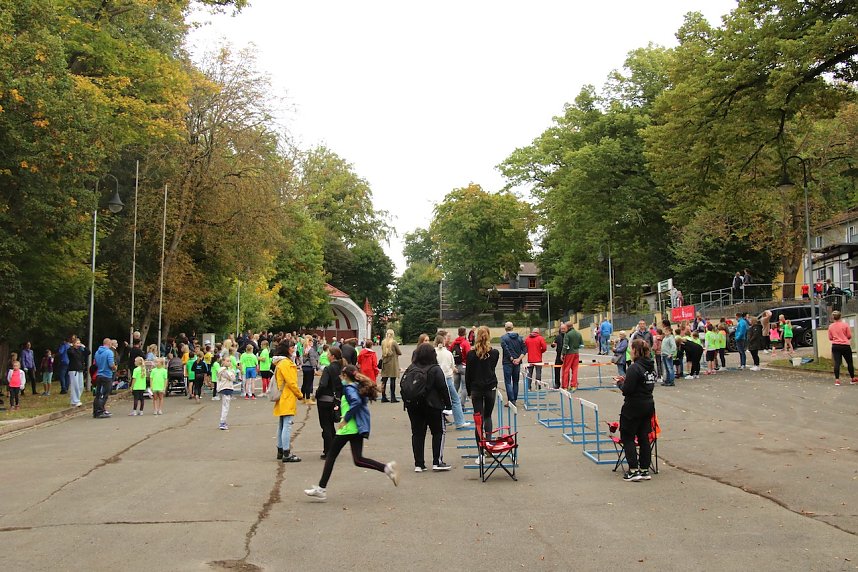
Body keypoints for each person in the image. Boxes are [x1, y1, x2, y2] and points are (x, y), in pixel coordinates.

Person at [304, 365, 399, 500]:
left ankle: (321, 488)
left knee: (331, 456)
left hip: (348, 428)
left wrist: (345, 419)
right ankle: (386, 468)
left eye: (341, 375)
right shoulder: (355, 387)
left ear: (345, 376)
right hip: (356, 428)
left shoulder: (349, 388)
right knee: (358, 459)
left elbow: (355, 402)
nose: (339, 378)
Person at [404, 342, 452, 472]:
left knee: (417, 434)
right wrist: (448, 404)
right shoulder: (435, 369)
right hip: (433, 405)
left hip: (413, 405)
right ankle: (437, 461)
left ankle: (419, 464)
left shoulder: (411, 368)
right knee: (438, 432)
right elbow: (443, 388)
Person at [614, 339, 657, 482]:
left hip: (634, 406)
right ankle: (644, 469)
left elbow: (627, 390)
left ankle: (633, 469)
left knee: (628, 437)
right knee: (644, 436)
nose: (630, 352)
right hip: (647, 403)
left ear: (636, 351)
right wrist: (626, 380)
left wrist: (620, 383)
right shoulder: (650, 366)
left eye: (632, 349)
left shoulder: (634, 367)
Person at [465, 326, 499, 436]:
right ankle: (488, 441)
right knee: (488, 416)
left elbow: (468, 374)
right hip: (490, 386)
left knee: (478, 420)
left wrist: (469, 391)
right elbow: (492, 367)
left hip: (476, 387)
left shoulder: (471, 354)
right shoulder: (494, 353)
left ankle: (480, 449)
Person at [274, 341, 303, 462]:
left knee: (282, 424)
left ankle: (281, 450)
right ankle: (286, 452)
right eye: (292, 347)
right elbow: (291, 382)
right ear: (287, 349)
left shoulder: (280, 362)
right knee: (287, 424)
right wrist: (299, 394)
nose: (293, 349)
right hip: (287, 395)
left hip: (282, 395)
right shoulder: (286, 363)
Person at [435, 333, 471, 431]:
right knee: (455, 400)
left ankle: (436, 422)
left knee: (437, 400)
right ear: (443, 342)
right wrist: (458, 370)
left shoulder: (433, 352)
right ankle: (459, 422)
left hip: (436, 379)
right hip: (447, 378)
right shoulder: (448, 353)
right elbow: (452, 367)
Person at [315, 347, 344, 459]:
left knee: (326, 425)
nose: (327, 355)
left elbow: (323, 384)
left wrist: (317, 394)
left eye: (329, 354)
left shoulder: (328, 369)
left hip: (325, 399)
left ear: (332, 356)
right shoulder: (341, 368)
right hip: (336, 398)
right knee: (331, 425)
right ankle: (333, 449)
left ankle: (328, 451)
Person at [499, 322, 526, 405]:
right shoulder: (520, 338)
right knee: (515, 381)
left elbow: (505, 349)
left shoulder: (504, 338)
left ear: (505, 328)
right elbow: (524, 349)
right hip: (517, 362)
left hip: (508, 362)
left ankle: (511, 400)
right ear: (513, 327)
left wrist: (511, 358)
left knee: (508, 381)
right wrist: (518, 359)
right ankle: (514, 399)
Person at [828, 311, 856, 386]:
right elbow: (849, 336)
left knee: (837, 362)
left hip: (835, 345)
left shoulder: (831, 326)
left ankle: (837, 380)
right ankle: (852, 379)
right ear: (840, 317)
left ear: (833, 317)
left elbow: (830, 338)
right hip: (845, 345)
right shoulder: (845, 325)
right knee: (849, 362)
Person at [92, 338, 116, 419]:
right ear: (109, 344)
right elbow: (110, 364)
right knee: (105, 394)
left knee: (98, 394)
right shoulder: (109, 352)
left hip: (99, 374)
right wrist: (114, 367)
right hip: (107, 375)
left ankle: (95, 411)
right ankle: (100, 411)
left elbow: (96, 363)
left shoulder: (97, 352)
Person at [448, 327, 471, 404]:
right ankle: (461, 404)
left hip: (456, 366)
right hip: (464, 366)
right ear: (465, 333)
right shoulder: (465, 343)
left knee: (455, 385)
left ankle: (453, 402)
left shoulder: (454, 342)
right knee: (464, 386)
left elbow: (450, 352)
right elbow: (469, 355)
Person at [560, 321, 583, 390]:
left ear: (568, 327)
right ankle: (573, 385)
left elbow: (565, 345)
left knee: (566, 369)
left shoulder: (568, 334)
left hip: (569, 353)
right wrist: (576, 348)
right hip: (576, 353)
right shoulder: (578, 334)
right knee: (575, 369)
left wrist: (562, 354)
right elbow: (582, 345)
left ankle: (565, 386)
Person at [215, 356, 235, 428]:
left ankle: (223, 421)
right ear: (223, 362)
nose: (229, 362)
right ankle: (222, 422)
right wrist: (232, 371)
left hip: (227, 388)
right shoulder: (223, 371)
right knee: (225, 406)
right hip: (225, 388)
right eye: (227, 361)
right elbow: (232, 377)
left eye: (230, 361)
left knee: (226, 406)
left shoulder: (225, 370)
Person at [67, 337, 86, 407]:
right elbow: (71, 353)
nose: (78, 344)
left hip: (80, 369)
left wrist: (84, 347)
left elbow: (88, 352)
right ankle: (75, 401)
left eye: (79, 343)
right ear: (73, 344)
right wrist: (72, 347)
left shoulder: (80, 350)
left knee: (81, 386)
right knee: (75, 386)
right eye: (77, 343)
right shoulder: (70, 350)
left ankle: (77, 399)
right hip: (73, 369)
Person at [302, 336, 321, 402]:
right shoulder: (311, 349)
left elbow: (304, 359)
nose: (313, 342)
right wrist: (315, 368)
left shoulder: (304, 349)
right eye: (312, 341)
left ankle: (303, 397)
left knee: (304, 382)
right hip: (310, 367)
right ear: (309, 342)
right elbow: (312, 359)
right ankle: (308, 398)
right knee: (309, 383)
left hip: (304, 367)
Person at [551, 323, 567, 389]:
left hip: (566, 355)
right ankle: (557, 384)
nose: (562, 330)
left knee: (566, 370)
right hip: (558, 355)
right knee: (557, 369)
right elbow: (553, 343)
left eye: (564, 329)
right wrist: (553, 345)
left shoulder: (568, 336)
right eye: (561, 329)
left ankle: (565, 384)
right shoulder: (558, 337)